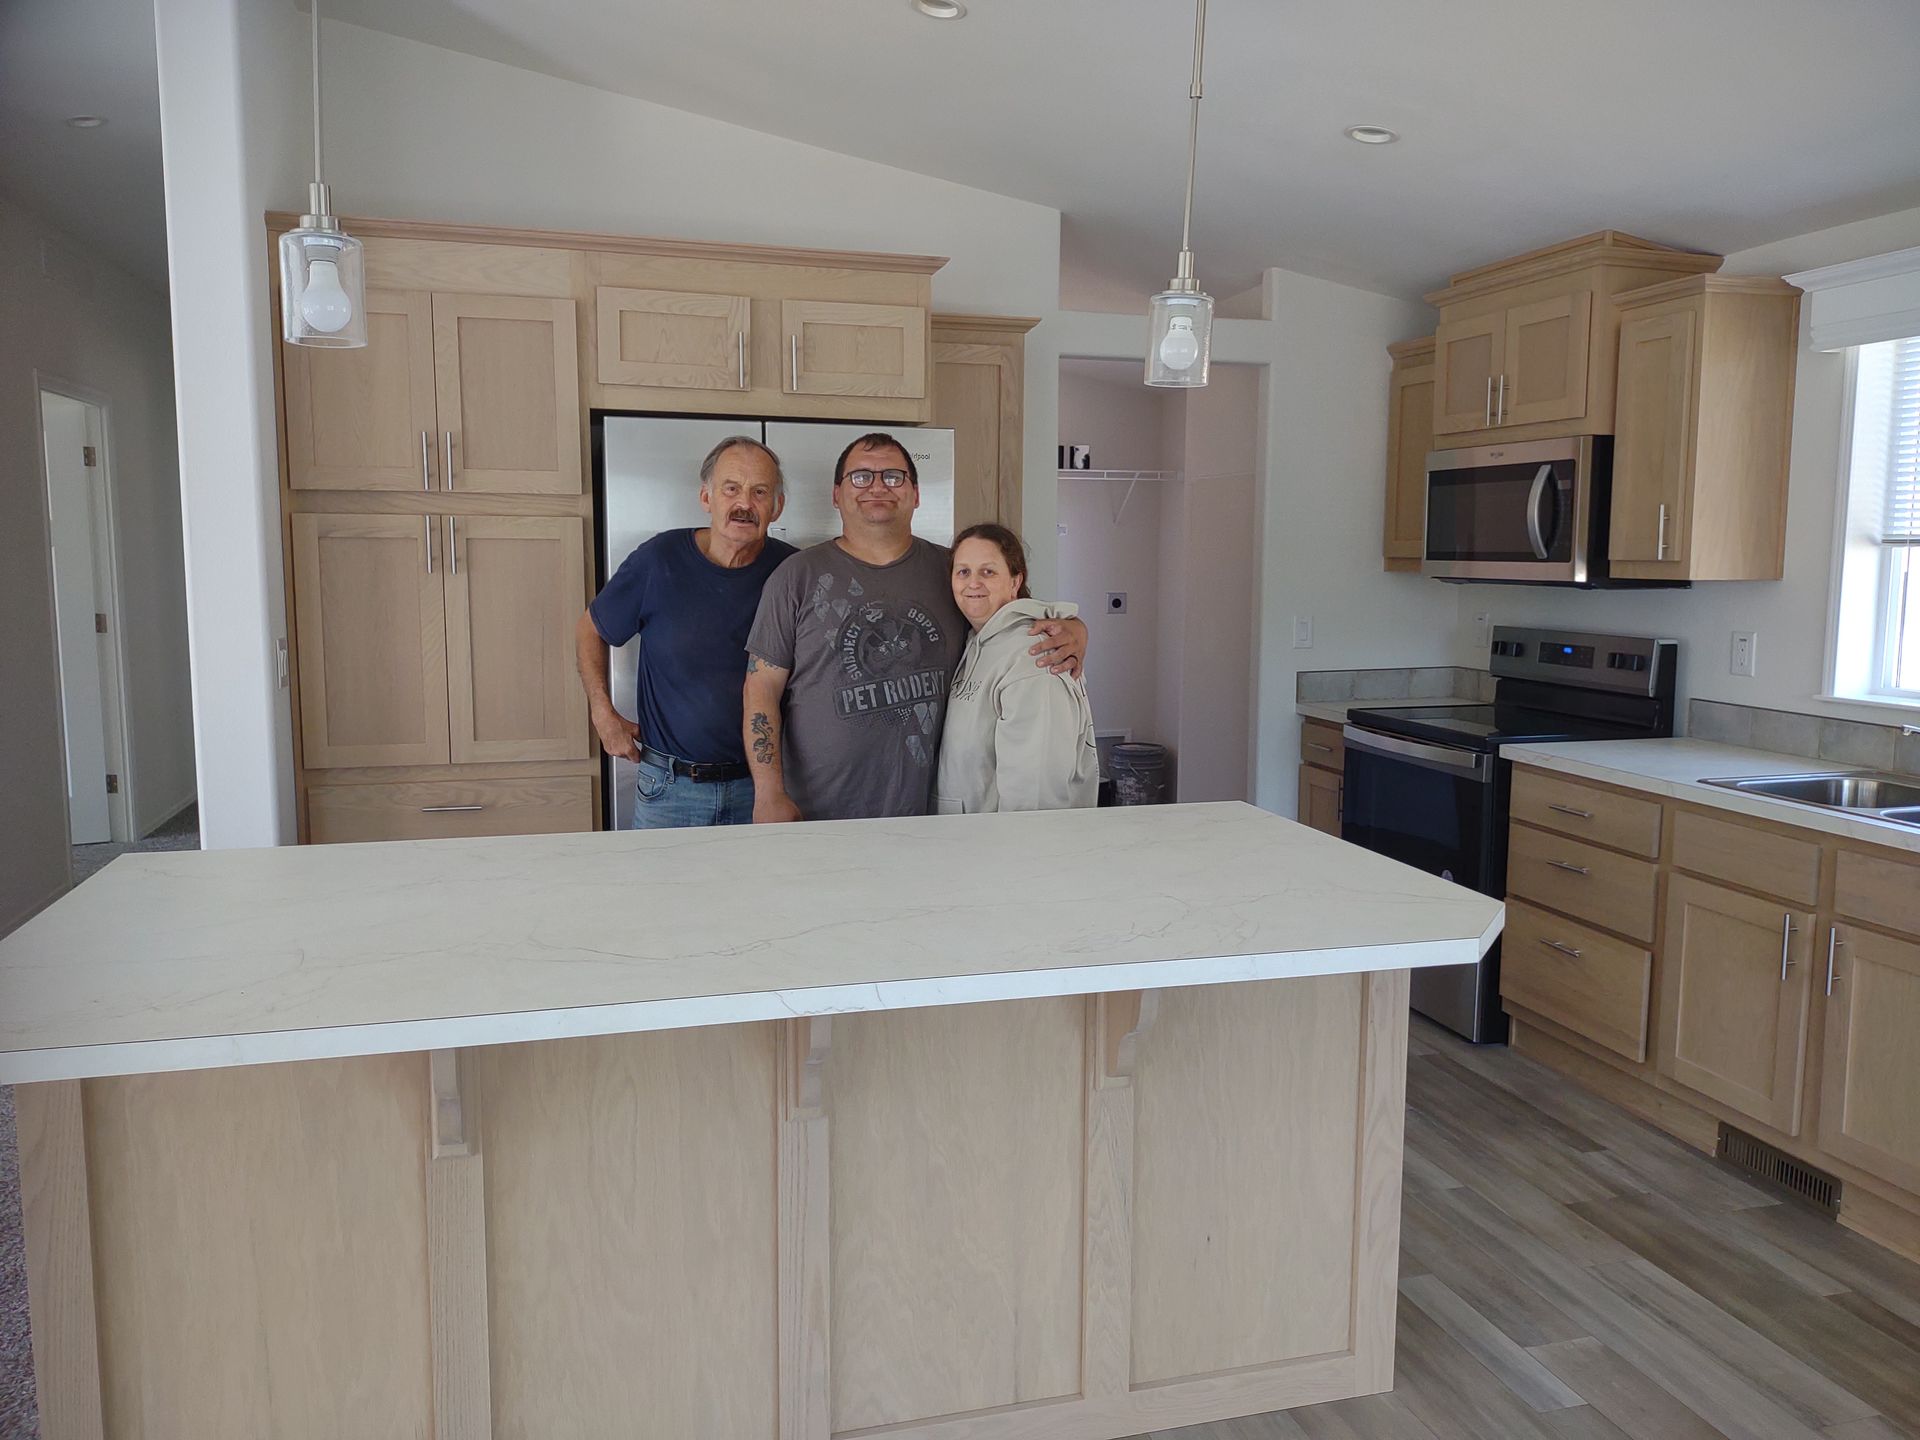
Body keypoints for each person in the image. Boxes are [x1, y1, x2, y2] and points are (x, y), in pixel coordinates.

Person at [743, 432, 1087, 822]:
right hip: (816, 813)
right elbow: (761, 687)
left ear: (915, 494)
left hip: (930, 818)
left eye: (893, 476)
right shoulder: (795, 577)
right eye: (861, 476)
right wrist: (768, 793)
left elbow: (1013, 622)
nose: (877, 486)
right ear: (836, 494)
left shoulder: (953, 571)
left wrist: (1074, 628)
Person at [575, 435, 795, 828]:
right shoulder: (659, 560)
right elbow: (590, 630)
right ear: (707, 498)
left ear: (776, 506)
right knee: (660, 874)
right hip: (669, 789)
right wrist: (602, 714)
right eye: (731, 489)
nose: (744, 504)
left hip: (762, 790)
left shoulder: (793, 572)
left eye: (759, 492)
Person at [934, 524, 1098, 814]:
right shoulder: (977, 643)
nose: (973, 583)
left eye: (988, 572)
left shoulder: (1033, 658)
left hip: (1006, 841)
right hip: (966, 837)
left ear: (1015, 581)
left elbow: (1035, 798)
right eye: (963, 572)